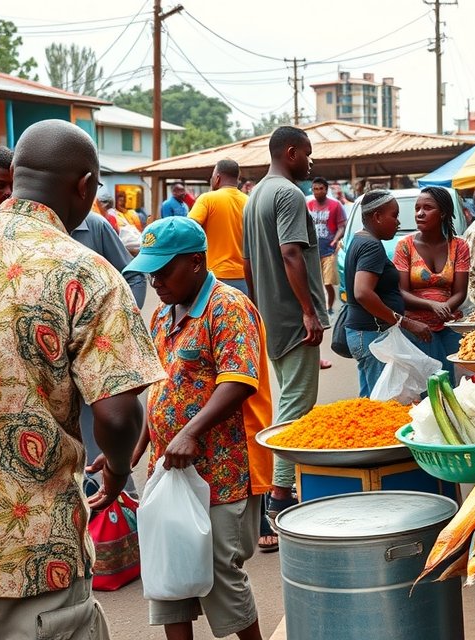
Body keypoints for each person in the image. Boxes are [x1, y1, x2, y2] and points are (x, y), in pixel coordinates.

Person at [0, 119, 163, 639]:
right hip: (35, 538)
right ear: (84, 186)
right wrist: (116, 470)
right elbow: (117, 414)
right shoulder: (87, 273)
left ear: (16, 174)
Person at [123, 217, 266, 640]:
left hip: (221, 471)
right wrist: (140, 442)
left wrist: (190, 432)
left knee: (221, 572)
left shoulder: (228, 307)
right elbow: (163, 387)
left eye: (164, 271)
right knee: (168, 570)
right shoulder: (162, 315)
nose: (156, 282)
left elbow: (239, 380)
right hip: (168, 469)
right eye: (150, 272)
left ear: (196, 263)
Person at [242, 126, 328, 546]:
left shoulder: (255, 195)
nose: (311, 163)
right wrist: (308, 311)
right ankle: (278, 497)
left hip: (271, 315)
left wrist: (259, 308)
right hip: (294, 318)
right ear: (290, 152)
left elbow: (247, 262)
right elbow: (291, 252)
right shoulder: (288, 194)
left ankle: (277, 489)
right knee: (296, 404)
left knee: (288, 398)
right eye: (307, 154)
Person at [70, 210, 147, 498]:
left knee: (103, 438)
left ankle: (121, 502)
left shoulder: (94, 226)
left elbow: (134, 275)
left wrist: (120, 322)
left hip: (96, 358)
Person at [344, 190, 432, 397]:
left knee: (369, 402)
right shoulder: (371, 246)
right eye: (394, 215)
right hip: (372, 335)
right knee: (383, 403)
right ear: (377, 216)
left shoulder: (359, 239)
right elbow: (362, 293)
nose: (398, 222)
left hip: (363, 334)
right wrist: (405, 322)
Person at [394, 186, 470, 376]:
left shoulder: (459, 246)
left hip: (449, 324)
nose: (420, 213)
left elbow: (460, 292)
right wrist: (432, 305)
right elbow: (401, 292)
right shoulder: (405, 246)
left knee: (452, 381)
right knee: (431, 382)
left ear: (443, 213)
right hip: (418, 327)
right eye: (417, 208)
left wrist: (444, 308)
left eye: (427, 208)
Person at [189, 159, 251, 295]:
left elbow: (189, 228)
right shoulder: (249, 201)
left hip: (216, 276)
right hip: (245, 276)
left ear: (217, 178)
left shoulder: (207, 199)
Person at [305, 176, 347, 310]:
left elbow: (342, 226)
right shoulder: (308, 205)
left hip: (329, 250)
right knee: (314, 282)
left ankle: (329, 308)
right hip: (312, 250)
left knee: (328, 282)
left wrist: (335, 240)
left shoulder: (335, 205)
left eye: (321, 189)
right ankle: (318, 307)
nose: (318, 191)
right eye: (315, 189)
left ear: (326, 189)